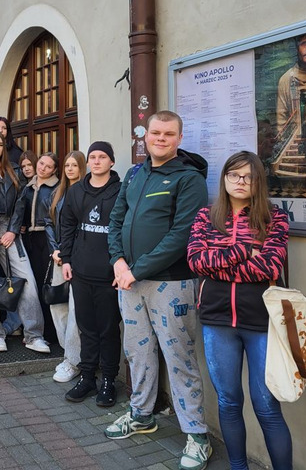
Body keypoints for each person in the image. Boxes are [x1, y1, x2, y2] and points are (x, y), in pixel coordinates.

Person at [106, 110, 212, 470]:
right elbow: (116, 220)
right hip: (130, 282)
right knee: (137, 352)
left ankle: (197, 436)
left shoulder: (189, 179)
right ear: (146, 136)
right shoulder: (135, 174)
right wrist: (118, 262)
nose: (161, 139)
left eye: (168, 134)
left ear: (179, 138)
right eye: (155, 133)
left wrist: (135, 270)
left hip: (171, 283)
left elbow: (181, 236)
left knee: (179, 358)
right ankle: (141, 414)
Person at [188, 151, 292, 470]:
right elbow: (196, 261)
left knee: (267, 406)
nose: (241, 181)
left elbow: (269, 266)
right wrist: (244, 250)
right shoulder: (206, 217)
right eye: (234, 175)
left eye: (249, 176)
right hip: (217, 321)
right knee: (229, 401)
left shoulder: (274, 218)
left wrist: (219, 263)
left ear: (259, 181)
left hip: (261, 323)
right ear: (224, 178)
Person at [0, 132, 51, 354]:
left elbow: (20, 203)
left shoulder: (14, 170)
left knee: (26, 280)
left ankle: (33, 335)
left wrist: (12, 230)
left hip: (10, 228)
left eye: (0, 144)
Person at [59, 143, 122, 405]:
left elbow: (126, 229)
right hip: (81, 271)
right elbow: (67, 225)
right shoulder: (76, 191)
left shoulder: (121, 191)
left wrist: (122, 265)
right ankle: (87, 378)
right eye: (92, 157)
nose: (96, 161)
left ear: (111, 162)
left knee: (108, 330)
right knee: (86, 328)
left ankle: (108, 380)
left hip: (109, 274)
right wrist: (66, 259)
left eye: (102, 157)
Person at [45, 150, 86, 383]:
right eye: (67, 165)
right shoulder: (57, 192)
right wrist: (55, 249)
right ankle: (67, 352)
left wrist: (68, 252)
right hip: (58, 256)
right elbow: (48, 222)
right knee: (58, 305)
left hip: (77, 257)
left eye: (74, 165)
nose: (70, 169)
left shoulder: (86, 192)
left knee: (75, 309)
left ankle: (74, 359)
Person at [22, 152, 60, 341]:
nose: (43, 168)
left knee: (47, 285)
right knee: (33, 284)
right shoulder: (28, 187)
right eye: (41, 163)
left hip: (47, 238)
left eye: (48, 166)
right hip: (29, 238)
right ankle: (36, 329)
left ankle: (51, 332)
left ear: (54, 170)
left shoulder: (57, 188)